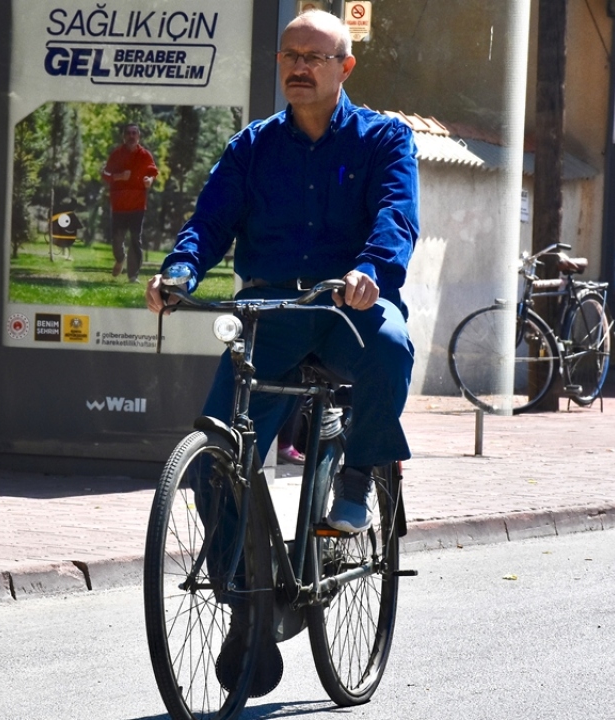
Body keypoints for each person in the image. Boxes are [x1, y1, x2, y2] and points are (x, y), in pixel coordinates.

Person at [145, 9, 418, 697]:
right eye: (290, 55)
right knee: (214, 458)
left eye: (315, 57)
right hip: (271, 310)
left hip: (347, 302)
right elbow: (208, 223)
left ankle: (359, 474)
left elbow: (396, 216)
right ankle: (251, 600)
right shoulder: (252, 147)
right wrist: (178, 273)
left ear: (344, 68)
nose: (299, 66)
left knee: (389, 343)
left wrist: (371, 273)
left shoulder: (385, 138)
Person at [102, 123, 159, 283]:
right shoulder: (116, 154)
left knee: (135, 238)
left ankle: (133, 275)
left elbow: (152, 172)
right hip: (119, 204)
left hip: (137, 205)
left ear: (138, 137)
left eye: (134, 133)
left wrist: (149, 180)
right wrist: (119, 176)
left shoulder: (145, 155)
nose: (131, 136)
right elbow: (105, 174)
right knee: (117, 239)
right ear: (124, 136)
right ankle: (120, 259)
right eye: (128, 133)